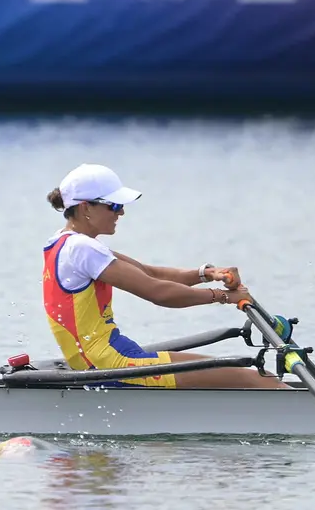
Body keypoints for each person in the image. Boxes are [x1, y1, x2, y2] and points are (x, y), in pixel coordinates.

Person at [43, 163, 288, 389]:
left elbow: (148, 273)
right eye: (114, 206)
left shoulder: (64, 244)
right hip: (112, 364)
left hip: (104, 359)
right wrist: (223, 297)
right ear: (86, 207)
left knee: (241, 376)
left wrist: (208, 274)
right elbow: (157, 292)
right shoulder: (83, 249)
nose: (121, 213)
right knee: (255, 379)